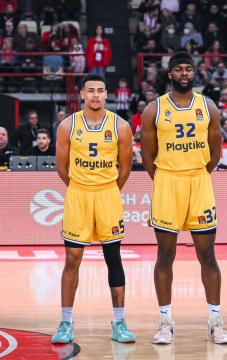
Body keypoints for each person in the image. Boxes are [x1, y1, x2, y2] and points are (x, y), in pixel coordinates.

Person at [140, 52, 227, 345]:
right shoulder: (154, 109)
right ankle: (165, 321)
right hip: (167, 182)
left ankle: (216, 321)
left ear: (194, 73)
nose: (183, 74)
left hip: (199, 182)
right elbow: (147, 154)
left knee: (207, 255)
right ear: (170, 74)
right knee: (165, 255)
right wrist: (165, 179)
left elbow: (215, 151)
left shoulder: (208, 106)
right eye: (178, 69)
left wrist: (198, 173)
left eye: (188, 69)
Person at [51, 74, 135, 344]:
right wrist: (81, 186)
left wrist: (107, 188)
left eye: (100, 91)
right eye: (91, 91)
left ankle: (119, 323)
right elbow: (61, 168)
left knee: (114, 258)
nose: (96, 95)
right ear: (82, 95)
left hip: (108, 195)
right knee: (72, 260)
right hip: (78, 195)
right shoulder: (67, 125)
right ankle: (65, 322)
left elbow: (126, 168)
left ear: (106, 94)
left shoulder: (120, 126)